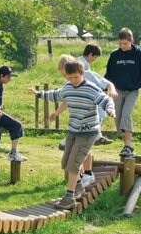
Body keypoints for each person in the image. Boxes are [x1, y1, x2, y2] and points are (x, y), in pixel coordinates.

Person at [30, 59, 115, 210]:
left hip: (88, 132)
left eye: (76, 77)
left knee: (74, 163)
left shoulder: (90, 88)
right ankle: (78, 186)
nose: (73, 81)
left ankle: (69, 197)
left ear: (82, 74)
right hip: (74, 130)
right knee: (66, 163)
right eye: (70, 78)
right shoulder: (68, 87)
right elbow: (56, 95)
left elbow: (105, 99)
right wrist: (39, 94)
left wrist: (110, 109)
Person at [53, 55, 118, 188]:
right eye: (64, 75)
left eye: (66, 74)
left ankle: (86, 174)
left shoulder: (88, 75)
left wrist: (112, 91)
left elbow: (108, 83)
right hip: (79, 120)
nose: (66, 78)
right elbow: (66, 100)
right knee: (81, 147)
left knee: (82, 146)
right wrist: (58, 112)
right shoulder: (70, 81)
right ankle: (83, 174)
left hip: (94, 114)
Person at [105, 27, 141, 158]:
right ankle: (125, 144)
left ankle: (128, 145)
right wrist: (104, 88)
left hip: (132, 91)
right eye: (120, 43)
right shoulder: (115, 55)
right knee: (118, 117)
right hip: (117, 91)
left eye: (125, 43)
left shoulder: (138, 54)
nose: (122, 46)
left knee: (126, 114)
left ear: (131, 41)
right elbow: (108, 73)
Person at [0, 65, 26, 174]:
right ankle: (13, 153)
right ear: (2, 76)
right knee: (17, 126)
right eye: (8, 77)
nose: (9, 79)